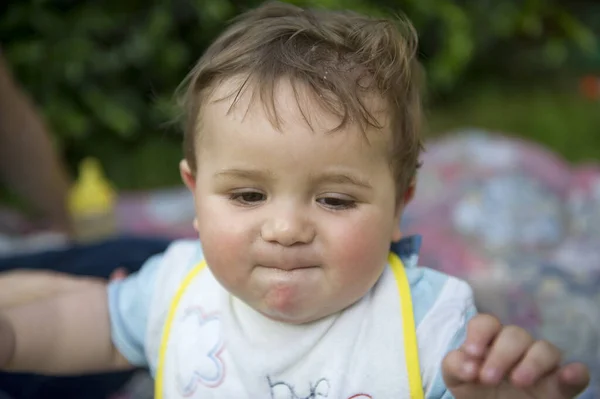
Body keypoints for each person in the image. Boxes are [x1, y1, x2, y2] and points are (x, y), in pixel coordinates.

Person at [0, 2, 591, 398]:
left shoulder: (432, 326)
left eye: (334, 200)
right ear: (195, 197)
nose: (285, 228)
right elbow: (82, 324)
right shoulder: (174, 291)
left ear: (399, 205)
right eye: (248, 194)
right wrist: (13, 336)